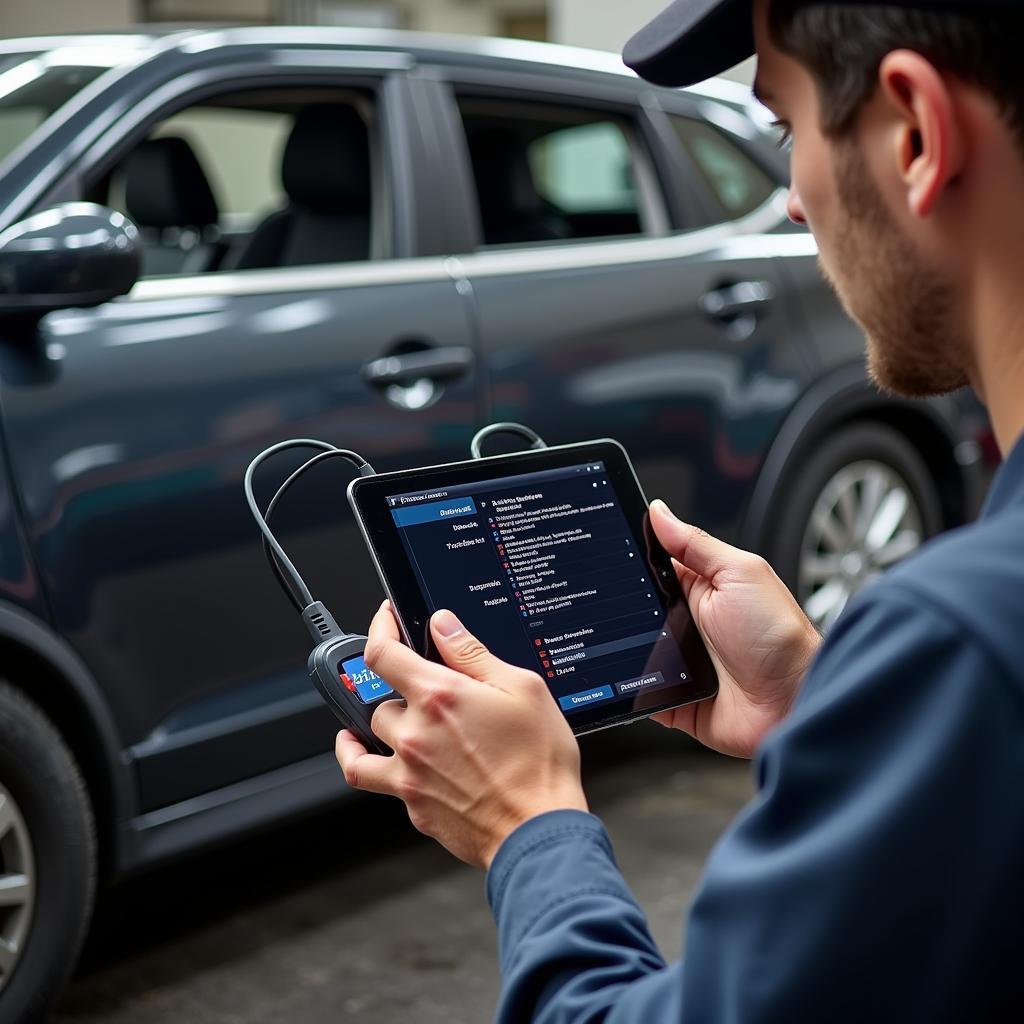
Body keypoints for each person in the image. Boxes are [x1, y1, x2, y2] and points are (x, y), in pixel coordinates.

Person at [336, 0, 1024, 1018]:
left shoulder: (965, 641)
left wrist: (530, 825)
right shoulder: (968, 666)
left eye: (786, 128)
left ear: (915, 134)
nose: (790, 201)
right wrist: (829, 705)